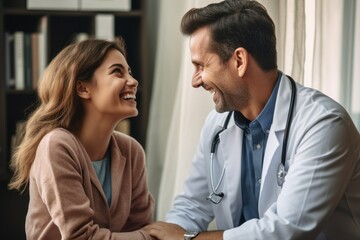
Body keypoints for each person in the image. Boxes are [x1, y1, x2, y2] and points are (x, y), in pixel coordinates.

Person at [145, 0, 360, 239]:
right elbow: (192, 206)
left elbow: (286, 230)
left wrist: (188, 239)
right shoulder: (217, 125)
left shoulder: (324, 125)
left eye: (201, 66)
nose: (196, 81)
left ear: (239, 61)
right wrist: (165, 234)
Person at [8, 38, 154, 239]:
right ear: (83, 88)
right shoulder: (56, 146)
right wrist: (149, 237)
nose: (133, 81)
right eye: (117, 71)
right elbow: (80, 236)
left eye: (129, 71)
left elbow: (141, 226)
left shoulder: (131, 151)